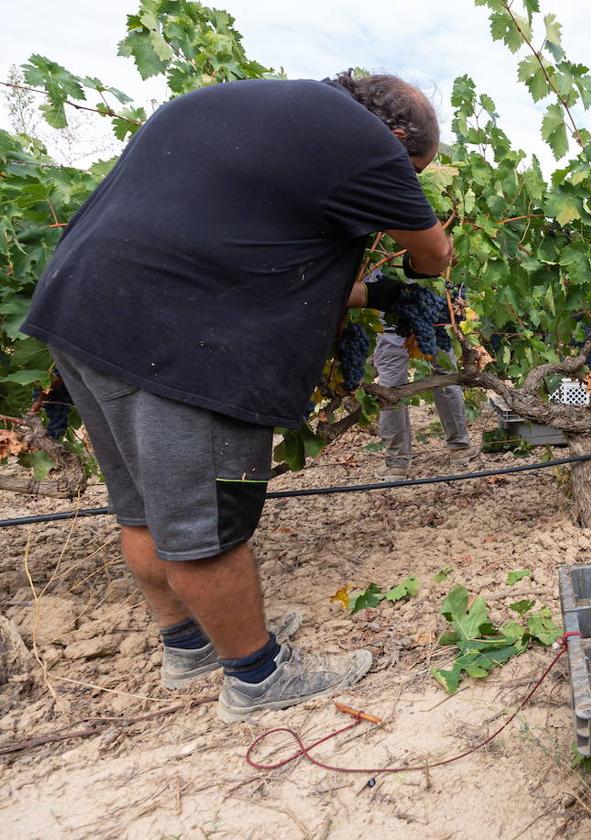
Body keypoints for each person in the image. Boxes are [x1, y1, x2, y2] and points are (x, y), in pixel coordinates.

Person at [21, 70, 452, 721]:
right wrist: (416, 276)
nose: (407, 179)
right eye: (414, 169)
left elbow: (255, 258)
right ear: (396, 138)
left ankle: (187, 644)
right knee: (206, 528)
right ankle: (258, 676)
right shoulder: (368, 142)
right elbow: (433, 252)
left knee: (140, 510)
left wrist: (375, 292)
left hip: (81, 309)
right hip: (178, 334)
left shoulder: (238, 105)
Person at [368, 271, 479, 477]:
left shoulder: (382, 242)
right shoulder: (433, 242)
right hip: (432, 314)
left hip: (395, 318)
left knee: (390, 388)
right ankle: (460, 448)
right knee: (446, 377)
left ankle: (397, 464)